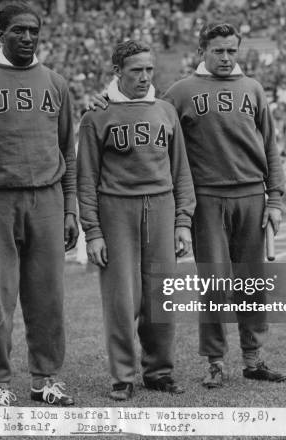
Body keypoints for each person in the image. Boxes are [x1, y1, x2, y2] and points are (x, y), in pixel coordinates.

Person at [0, 2, 78, 407]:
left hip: (48, 196)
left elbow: (68, 151)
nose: (27, 37)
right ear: (0, 33)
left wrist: (71, 208)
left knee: (47, 297)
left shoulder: (57, 84)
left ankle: (45, 379)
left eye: (34, 31)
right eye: (19, 30)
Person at [162, 23, 286, 388]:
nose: (226, 57)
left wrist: (275, 198)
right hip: (206, 199)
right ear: (202, 50)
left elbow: (270, 146)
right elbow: (156, 130)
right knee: (213, 284)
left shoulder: (253, 88)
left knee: (252, 282)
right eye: (219, 50)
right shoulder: (179, 92)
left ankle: (253, 358)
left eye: (232, 50)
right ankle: (215, 361)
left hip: (251, 195)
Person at [77, 40, 195, 401]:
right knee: (121, 299)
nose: (144, 77)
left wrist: (182, 222)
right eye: (135, 70)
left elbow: (181, 171)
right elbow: (86, 179)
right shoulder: (97, 114)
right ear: (117, 72)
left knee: (161, 295)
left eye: (148, 70)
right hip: (116, 210)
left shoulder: (165, 111)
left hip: (160, 207)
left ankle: (159, 371)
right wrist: (93, 231)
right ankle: (123, 376)